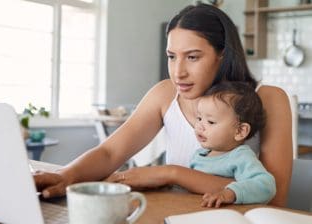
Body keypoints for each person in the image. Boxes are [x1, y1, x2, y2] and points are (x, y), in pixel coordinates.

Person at [34, 3, 292, 207]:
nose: (178, 72)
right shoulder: (165, 94)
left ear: (223, 55)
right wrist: (65, 176)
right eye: (171, 57)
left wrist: (172, 174)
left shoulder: (268, 98)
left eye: (192, 57)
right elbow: (110, 154)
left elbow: (273, 197)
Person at [190, 81, 276, 208]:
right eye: (199, 118)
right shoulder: (199, 155)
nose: (200, 126)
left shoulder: (240, 157)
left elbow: (266, 185)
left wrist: (230, 193)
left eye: (211, 121)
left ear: (240, 131)